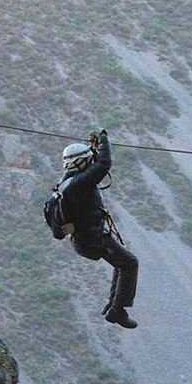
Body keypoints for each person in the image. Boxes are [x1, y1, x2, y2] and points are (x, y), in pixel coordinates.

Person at [60, 129, 139, 329]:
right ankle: (117, 310)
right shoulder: (80, 183)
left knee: (121, 263)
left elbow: (96, 165)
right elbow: (104, 164)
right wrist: (103, 140)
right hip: (93, 237)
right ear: (80, 162)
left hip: (82, 238)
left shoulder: (68, 182)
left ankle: (113, 306)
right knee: (129, 263)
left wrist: (93, 147)